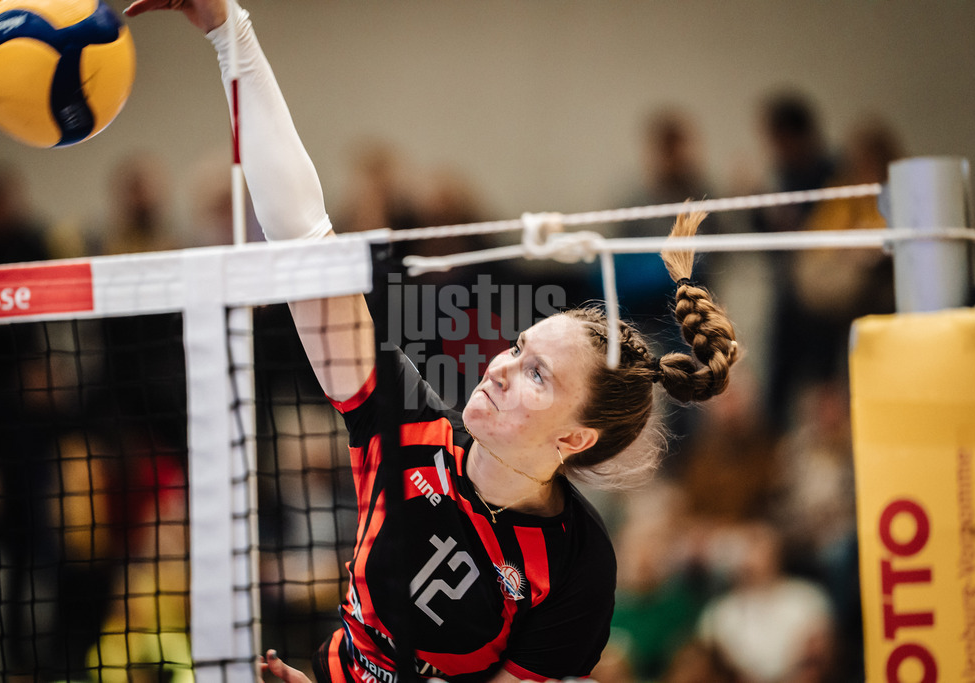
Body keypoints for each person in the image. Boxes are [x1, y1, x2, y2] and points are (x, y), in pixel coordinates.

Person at [124, 2, 740, 681]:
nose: (502, 367)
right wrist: (228, 29)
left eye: (539, 375)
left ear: (574, 438)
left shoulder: (577, 567)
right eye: (519, 348)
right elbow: (303, 241)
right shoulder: (405, 427)